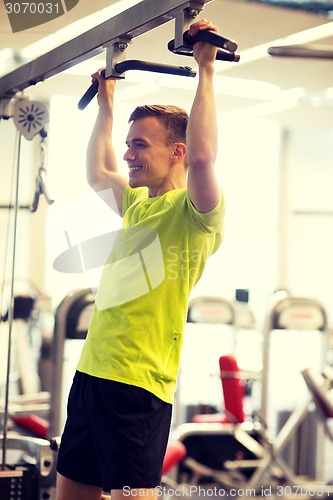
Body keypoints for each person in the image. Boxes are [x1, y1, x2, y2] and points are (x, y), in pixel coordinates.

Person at [55, 18, 225, 500]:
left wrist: (206, 70)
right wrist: (106, 105)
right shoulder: (136, 205)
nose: (128, 155)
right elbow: (97, 171)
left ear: (177, 151)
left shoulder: (195, 213)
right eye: (129, 144)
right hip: (92, 375)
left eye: (139, 145)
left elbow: (204, 159)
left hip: (137, 387)